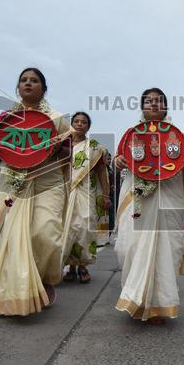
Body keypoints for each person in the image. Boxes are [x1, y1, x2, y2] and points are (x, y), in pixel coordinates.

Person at [0, 68, 71, 316]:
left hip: (47, 179)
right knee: (8, 234)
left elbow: (68, 155)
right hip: (12, 178)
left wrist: (56, 148)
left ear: (43, 89)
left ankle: (44, 279)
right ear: (18, 87)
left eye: (34, 81)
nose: (28, 84)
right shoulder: (6, 117)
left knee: (45, 232)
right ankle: (12, 294)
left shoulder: (57, 119)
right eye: (23, 80)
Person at [115, 88, 184, 324]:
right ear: (142, 107)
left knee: (166, 250)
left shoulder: (180, 135)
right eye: (149, 101)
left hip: (168, 199)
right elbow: (121, 158)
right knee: (128, 248)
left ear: (165, 107)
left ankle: (158, 305)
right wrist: (117, 160)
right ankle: (135, 297)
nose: (153, 104)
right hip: (137, 199)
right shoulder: (131, 134)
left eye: (158, 101)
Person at [62, 111, 110, 283]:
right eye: (76, 121)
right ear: (71, 124)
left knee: (83, 227)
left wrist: (105, 195)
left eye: (84, 122)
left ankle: (82, 266)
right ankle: (71, 267)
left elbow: (102, 172)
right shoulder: (63, 145)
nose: (80, 124)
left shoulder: (95, 148)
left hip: (85, 193)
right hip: (64, 192)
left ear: (88, 126)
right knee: (66, 230)